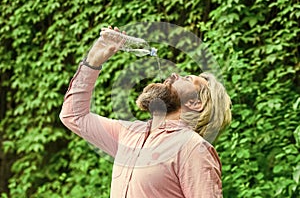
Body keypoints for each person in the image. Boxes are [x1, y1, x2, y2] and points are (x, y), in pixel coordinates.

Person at [60, 26, 232, 198]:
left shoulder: (193, 148)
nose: (174, 74)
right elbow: (74, 116)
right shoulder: (129, 134)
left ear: (195, 103)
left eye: (187, 79)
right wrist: (93, 61)